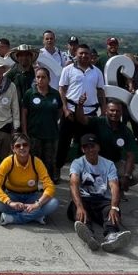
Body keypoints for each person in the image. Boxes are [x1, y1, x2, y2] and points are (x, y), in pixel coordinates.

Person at [68, 134, 131, 253]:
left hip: (102, 200)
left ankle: (111, 236)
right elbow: (73, 184)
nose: (90, 149)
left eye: (92, 146)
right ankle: (88, 235)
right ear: (82, 149)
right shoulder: (77, 163)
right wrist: (79, 207)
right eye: (86, 147)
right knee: (76, 209)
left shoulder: (109, 164)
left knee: (112, 213)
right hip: (84, 199)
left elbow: (114, 186)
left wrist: (114, 207)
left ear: (98, 147)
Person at [57, 45, 105, 183]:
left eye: (86, 54)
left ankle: (83, 173)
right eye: (81, 53)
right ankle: (57, 170)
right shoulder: (68, 69)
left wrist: (104, 109)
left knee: (86, 144)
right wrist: (65, 109)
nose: (84, 56)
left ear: (91, 55)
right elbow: (62, 89)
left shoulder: (96, 72)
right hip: (71, 111)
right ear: (76, 54)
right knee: (63, 143)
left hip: (89, 113)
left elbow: (101, 91)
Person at [0, 132, 59, 225]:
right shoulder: (8, 161)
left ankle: (12, 218)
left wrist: (37, 204)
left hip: (32, 197)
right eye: (18, 146)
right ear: (13, 148)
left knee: (54, 203)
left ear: (29, 147)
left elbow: (49, 185)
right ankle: (34, 216)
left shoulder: (37, 162)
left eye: (25, 145)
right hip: (12, 196)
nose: (22, 148)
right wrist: (9, 202)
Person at [81, 100, 138, 192]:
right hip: (95, 161)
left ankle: (117, 188)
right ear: (106, 110)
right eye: (112, 110)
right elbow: (82, 119)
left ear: (122, 112)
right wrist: (79, 105)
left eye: (118, 111)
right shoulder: (97, 121)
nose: (115, 113)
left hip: (114, 163)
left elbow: (130, 155)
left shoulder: (126, 131)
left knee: (136, 175)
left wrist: (126, 176)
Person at [23, 67, 62, 180]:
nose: (40, 80)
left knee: (50, 161)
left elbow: (59, 111)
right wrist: (25, 132)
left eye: (43, 77)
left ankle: (48, 182)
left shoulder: (55, 94)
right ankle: (33, 182)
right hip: (34, 134)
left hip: (51, 134)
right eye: (38, 77)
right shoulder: (29, 93)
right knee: (35, 160)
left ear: (49, 79)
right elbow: (24, 114)